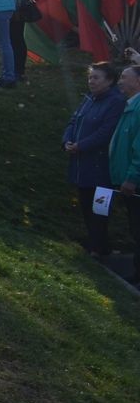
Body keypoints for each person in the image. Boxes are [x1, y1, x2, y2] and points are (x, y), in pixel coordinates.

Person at [64, 63, 125, 257]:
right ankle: (97, 243)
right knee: (85, 205)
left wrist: (81, 145)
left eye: (96, 78)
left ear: (109, 81)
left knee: (99, 208)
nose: (91, 81)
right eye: (90, 77)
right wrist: (67, 141)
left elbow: (106, 132)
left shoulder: (115, 102)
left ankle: (98, 246)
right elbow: (74, 121)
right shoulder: (89, 99)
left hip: (101, 169)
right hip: (82, 165)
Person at [110, 64, 140, 285]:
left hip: (135, 182)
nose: (119, 81)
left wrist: (132, 177)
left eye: (124, 77)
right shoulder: (130, 105)